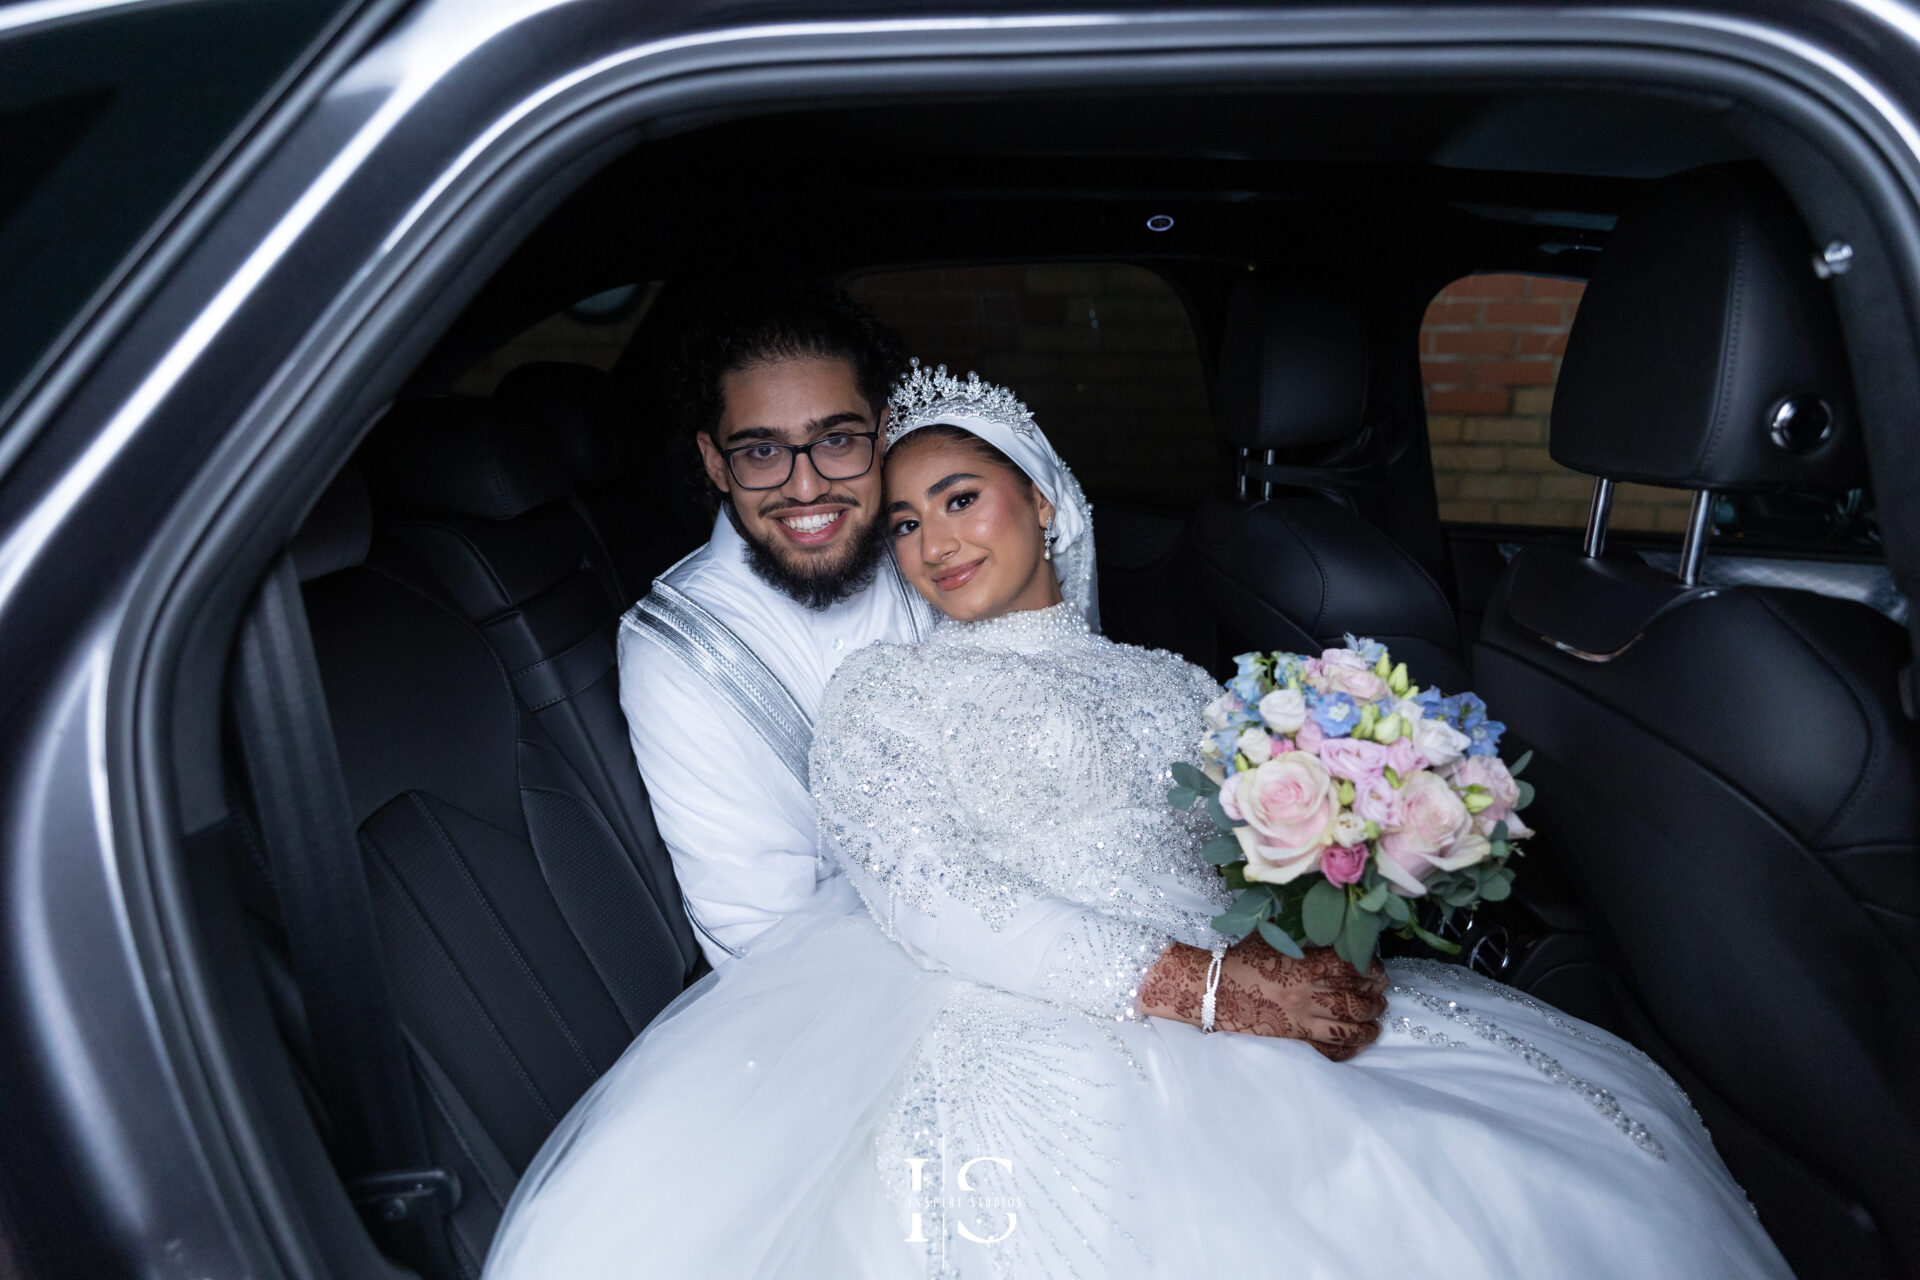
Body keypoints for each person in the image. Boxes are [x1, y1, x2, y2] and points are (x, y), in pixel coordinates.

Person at [488, 367, 1790, 1279]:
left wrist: (1339, 888)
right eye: (905, 522)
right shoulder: (885, 691)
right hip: (1015, 1012)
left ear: (1046, 500)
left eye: (962, 498)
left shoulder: (1169, 681)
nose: (933, 541)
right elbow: (931, 892)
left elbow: (1249, 855)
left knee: (1523, 1157)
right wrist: (1211, 990)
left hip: (1232, 981)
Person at [618, 280, 933, 966]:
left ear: (882, 433)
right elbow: (764, 942)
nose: (805, 487)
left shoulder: (938, 545)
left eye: (836, 440)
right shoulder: (679, 651)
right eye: (762, 451)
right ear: (715, 462)